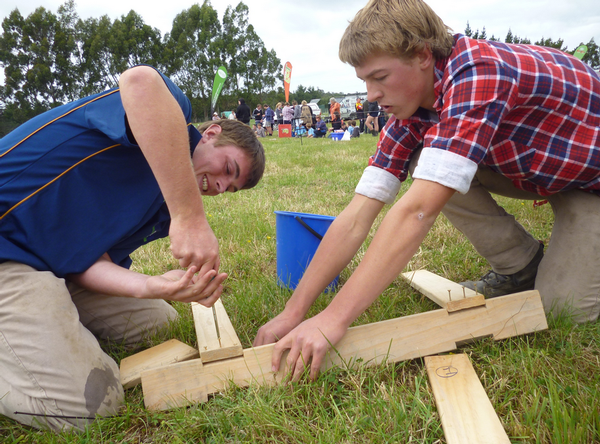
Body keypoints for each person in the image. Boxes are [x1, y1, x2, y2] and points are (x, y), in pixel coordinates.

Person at [253, 0, 600, 382]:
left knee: (558, 313)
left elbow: (418, 211)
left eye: (380, 77)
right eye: (363, 81)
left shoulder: (478, 72)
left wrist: (333, 319)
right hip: (543, 169)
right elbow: (356, 216)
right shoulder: (413, 106)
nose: (370, 94)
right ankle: (521, 265)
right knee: (427, 161)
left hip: (590, 184)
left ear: (422, 55)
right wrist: (294, 311)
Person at [0, 65, 266, 431]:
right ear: (212, 134)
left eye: (229, 188)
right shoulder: (169, 116)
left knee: (161, 323)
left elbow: (86, 259)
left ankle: (42, 317)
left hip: (48, 261)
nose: (220, 186)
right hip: (7, 245)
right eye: (228, 169)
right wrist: (189, 216)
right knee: (89, 408)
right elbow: (139, 81)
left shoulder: (160, 208)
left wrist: (153, 285)